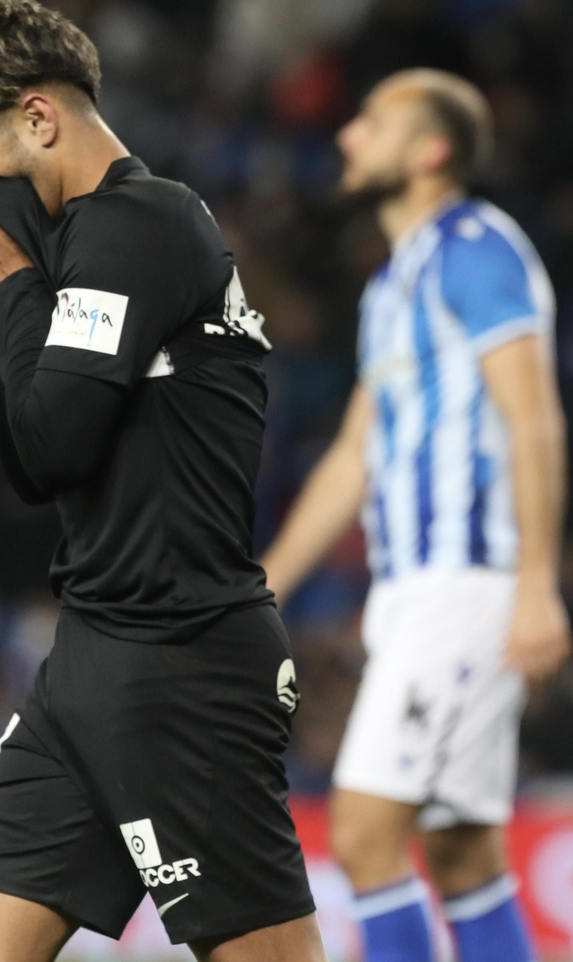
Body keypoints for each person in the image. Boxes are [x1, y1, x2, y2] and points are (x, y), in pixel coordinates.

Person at [0, 0, 326, 962]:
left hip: (184, 661)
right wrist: (23, 298)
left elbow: (52, 446)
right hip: (92, 655)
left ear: (39, 118)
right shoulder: (88, 251)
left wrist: (13, 290)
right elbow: (29, 458)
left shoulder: (140, 222)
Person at [261, 69, 569, 962]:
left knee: (363, 834)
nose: (349, 136)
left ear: (431, 151)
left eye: (373, 122)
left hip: (466, 582)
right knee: (461, 854)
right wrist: (266, 584)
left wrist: (537, 584)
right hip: (415, 591)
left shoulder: (476, 249)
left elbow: (533, 416)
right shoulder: (393, 283)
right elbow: (355, 455)